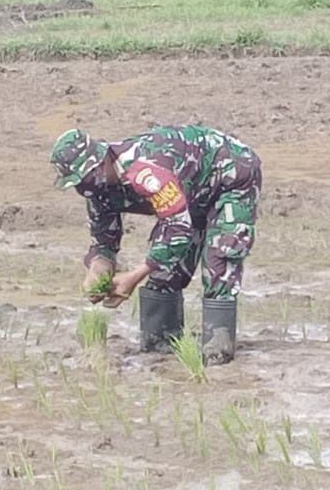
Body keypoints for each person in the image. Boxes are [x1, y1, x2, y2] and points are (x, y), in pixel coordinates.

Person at [50, 125, 262, 364]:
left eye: (87, 177)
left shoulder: (146, 170)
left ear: (101, 160)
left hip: (230, 175)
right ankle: (159, 349)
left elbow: (178, 229)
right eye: (77, 183)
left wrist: (134, 276)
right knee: (164, 274)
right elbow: (103, 239)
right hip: (188, 191)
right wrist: (99, 269)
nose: (85, 186)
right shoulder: (96, 189)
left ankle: (218, 352)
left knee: (219, 260)